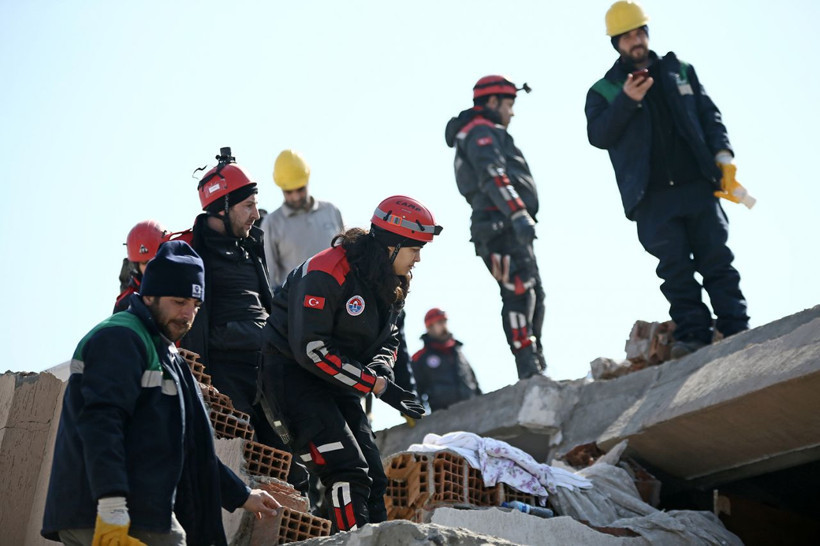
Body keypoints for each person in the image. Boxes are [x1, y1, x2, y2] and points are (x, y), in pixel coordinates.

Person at [42, 241, 280, 546]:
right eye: (179, 301)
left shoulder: (168, 356)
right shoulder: (119, 338)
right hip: (108, 512)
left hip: (143, 512)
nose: (187, 314)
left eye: (195, 305)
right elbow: (101, 423)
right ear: (150, 295)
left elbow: (193, 447)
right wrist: (112, 507)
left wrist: (242, 495)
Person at [258, 195, 441, 532]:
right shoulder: (328, 270)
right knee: (347, 468)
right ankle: (354, 541)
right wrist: (376, 385)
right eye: (414, 248)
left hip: (337, 382)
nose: (418, 258)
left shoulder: (392, 281)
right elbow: (312, 349)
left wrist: (383, 373)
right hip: (291, 376)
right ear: (392, 245)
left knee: (374, 474)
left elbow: (388, 339)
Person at [585, 1, 749, 358]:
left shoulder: (680, 72)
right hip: (653, 199)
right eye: (627, 36)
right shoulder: (605, 91)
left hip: (698, 186)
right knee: (676, 272)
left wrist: (724, 159)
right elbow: (598, 135)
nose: (635, 41)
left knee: (717, 260)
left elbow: (710, 117)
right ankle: (693, 337)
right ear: (616, 43)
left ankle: (737, 330)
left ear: (647, 33)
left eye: (639, 32)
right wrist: (627, 101)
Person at [181, 146, 307, 490]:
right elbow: (191, 324)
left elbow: (268, 305)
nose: (255, 213)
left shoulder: (249, 246)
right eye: (247, 206)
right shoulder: (193, 255)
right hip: (225, 375)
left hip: (267, 368)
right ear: (222, 208)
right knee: (245, 460)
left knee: (292, 464)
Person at [445, 75, 546, 379]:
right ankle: (527, 367)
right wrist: (518, 214)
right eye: (509, 104)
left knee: (534, 293)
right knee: (518, 292)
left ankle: (536, 361)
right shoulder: (480, 132)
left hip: (503, 224)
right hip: (498, 225)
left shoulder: (482, 131)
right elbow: (493, 174)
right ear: (492, 102)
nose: (512, 112)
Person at [262, 149, 344, 290]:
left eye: (300, 189)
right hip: (297, 305)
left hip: (336, 298)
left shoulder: (331, 211)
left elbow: (344, 257)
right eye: (289, 192)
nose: (296, 197)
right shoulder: (272, 223)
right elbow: (269, 277)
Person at [411, 308, 482, 412]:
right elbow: (415, 390)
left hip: (472, 411)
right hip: (442, 417)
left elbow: (474, 383)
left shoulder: (458, 352)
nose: (444, 326)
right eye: (439, 322)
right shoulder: (420, 358)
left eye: (445, 322)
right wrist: (416, 413)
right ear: (429, 327)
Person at [114, 220, 168, 313]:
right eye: (144, 262)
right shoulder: (125, 304)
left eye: (154, 260)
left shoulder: (189, 285)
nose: (150, 267)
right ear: (136, 266)